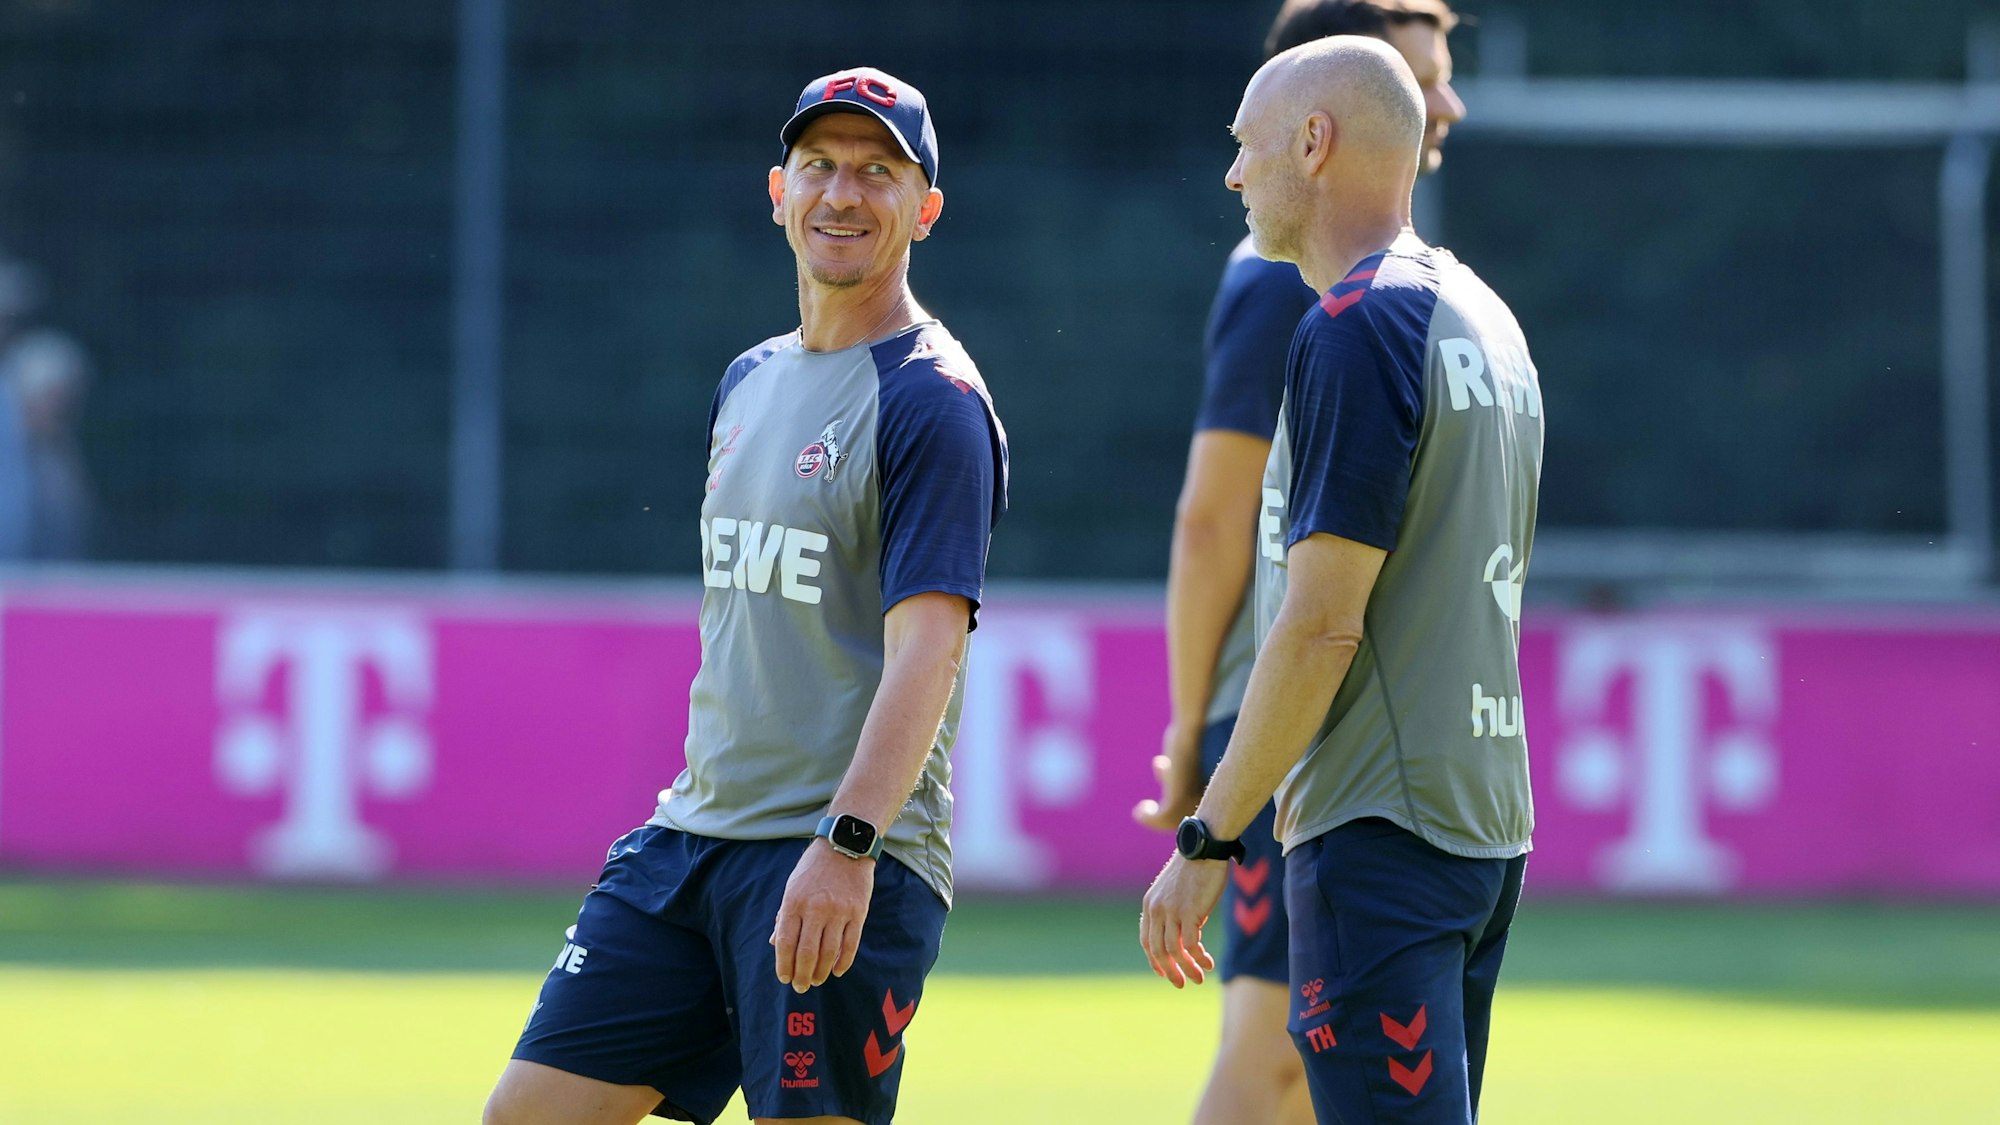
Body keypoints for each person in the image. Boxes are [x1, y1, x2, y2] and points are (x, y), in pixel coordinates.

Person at [484, 66, 1007, 1125]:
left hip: (836, 855)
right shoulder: (750, 377)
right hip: (691, 842)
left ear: (925, 208)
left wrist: (847, 846)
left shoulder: (930, 400)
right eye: (818, 166)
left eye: (876, 171)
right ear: (777, 190)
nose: (842, 195)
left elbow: (928, 654)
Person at [1140, 34, 1541, 1125]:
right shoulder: (1484, 318)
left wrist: (1208, 836)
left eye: (1246, 145)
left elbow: (1320, 628)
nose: (1231, 174)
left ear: (1311, 144)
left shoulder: (1352, 328)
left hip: (1378, 834)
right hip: (1482, 827)